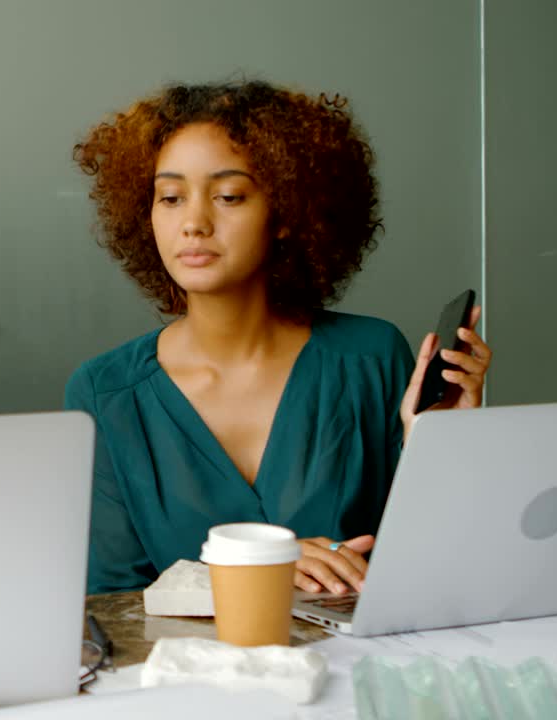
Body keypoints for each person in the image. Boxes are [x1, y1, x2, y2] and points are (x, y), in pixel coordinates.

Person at [65, 81, 492, 596]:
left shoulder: (370, 357)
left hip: (358, 669)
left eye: (228, 196)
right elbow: (111, 605)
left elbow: (437, 574)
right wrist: (258, 573)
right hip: (187, 675)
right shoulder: (105, 391)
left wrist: (447, 449)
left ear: (287, 213)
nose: (194, 223)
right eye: (171, 197)